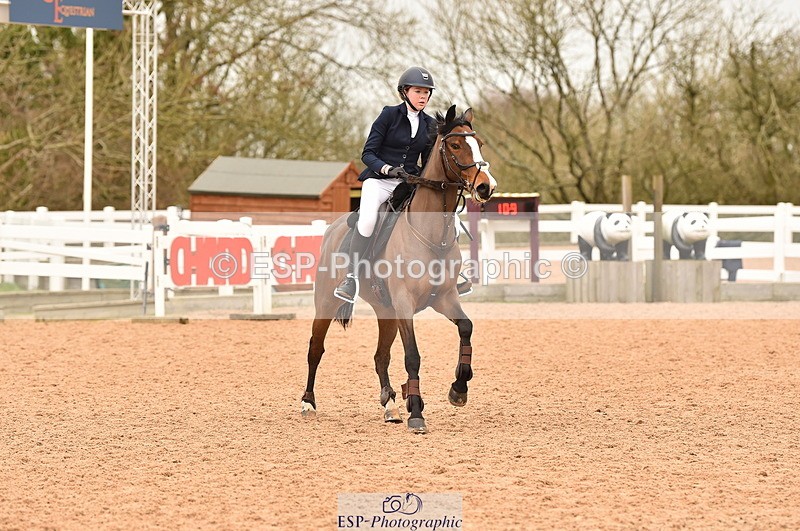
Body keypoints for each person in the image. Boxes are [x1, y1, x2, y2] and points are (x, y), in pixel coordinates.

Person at [334, 66, 437, 303]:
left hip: (407, 184)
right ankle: (351, 277)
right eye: (418, 91)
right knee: (368, 220)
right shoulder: (389, 115)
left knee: (439, 215)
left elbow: (428, 161)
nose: (423, 97)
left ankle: (451, 274)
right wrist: (387, 169)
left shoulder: (430, 124)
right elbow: (368, 153)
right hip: (379, 181)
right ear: (404, 92)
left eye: (426, 92)